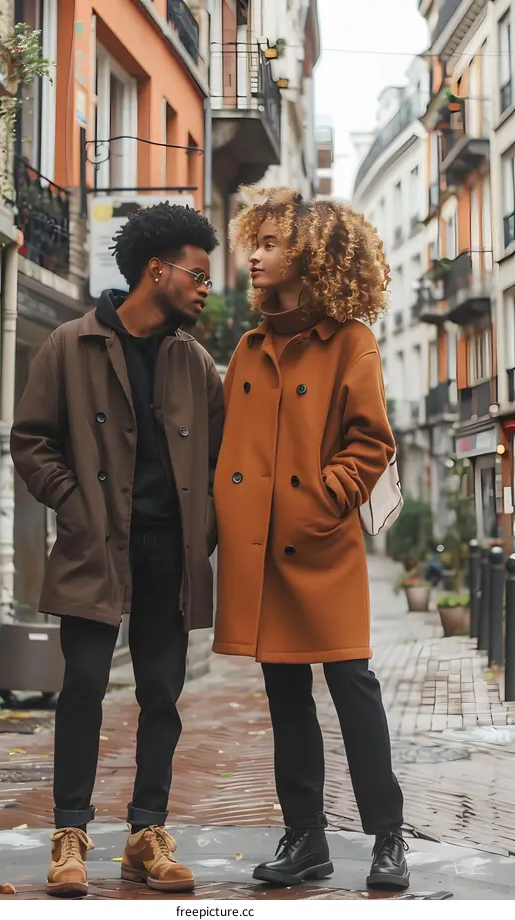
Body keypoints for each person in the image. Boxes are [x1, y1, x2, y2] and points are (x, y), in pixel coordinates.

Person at [11, 202, 223, 897]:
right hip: (95, 546)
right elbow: (32, 441)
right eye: (196, 274)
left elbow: (222, 461)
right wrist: (74, 505)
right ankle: (70, 834)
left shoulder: (196, 364)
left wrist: (208, 529)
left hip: (170, 555)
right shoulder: (69, 346)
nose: (204, 287)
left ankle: (146, 835)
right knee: (83, 690)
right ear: (156, 271)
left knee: (162, 696)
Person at [213, 188, 409, 891]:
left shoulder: (350, 341)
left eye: (270, 243)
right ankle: (306, 840)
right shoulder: (248, 346)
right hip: (262, 554)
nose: (255, 255)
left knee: (355, 689)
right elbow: (225, 445)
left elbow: (370, 443)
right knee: (285, 695)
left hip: (321, 547)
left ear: (310, 254)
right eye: (255, 242)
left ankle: (389, 837)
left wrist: (323, 498)